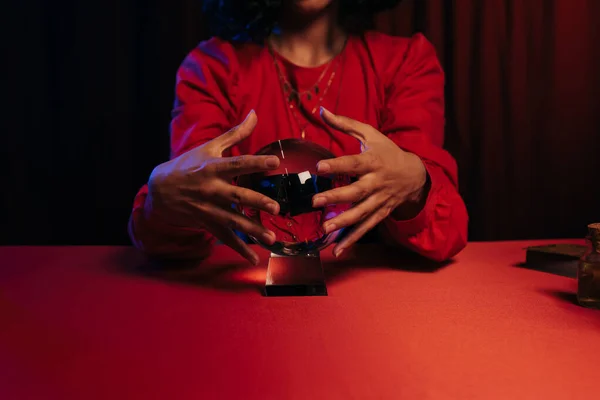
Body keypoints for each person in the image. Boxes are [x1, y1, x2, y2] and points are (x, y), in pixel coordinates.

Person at [128, 0, 468, 265]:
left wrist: (415, 184)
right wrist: (163, 203)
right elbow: (184, 216)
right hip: (239, 305)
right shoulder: (211, 68)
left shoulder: (405, 61)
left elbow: (444, 231)